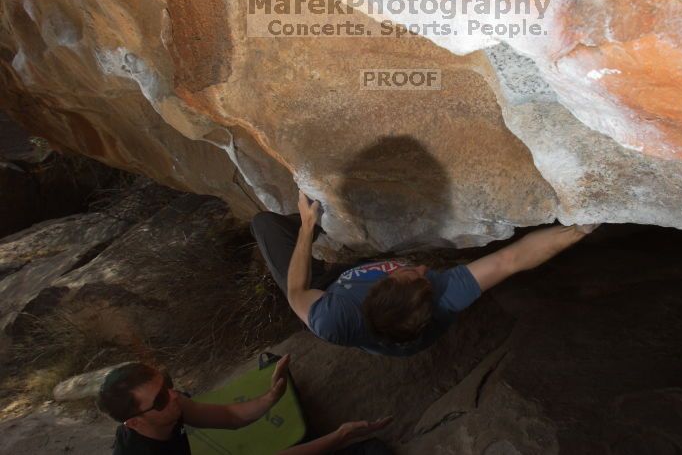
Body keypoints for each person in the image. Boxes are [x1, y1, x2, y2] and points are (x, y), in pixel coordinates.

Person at [251, 191, 598, 357]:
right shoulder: (446, 295)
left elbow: (297, 291)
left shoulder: (333, 319)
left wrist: (307, 226)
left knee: (264, 224)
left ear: (376, 287)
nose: (422, 267)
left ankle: (322, 242)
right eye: (419, 275)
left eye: (408, 273)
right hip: (359, 297)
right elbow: (511, 260)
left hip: (325, 289)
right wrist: (578, 231)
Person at [99, 355, 392, 454]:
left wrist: (271, 396)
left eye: (167, 383)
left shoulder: (167, 409)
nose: (174, 395)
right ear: (135, 422)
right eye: (161, 398)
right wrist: (339, 435)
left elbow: (230, 416)